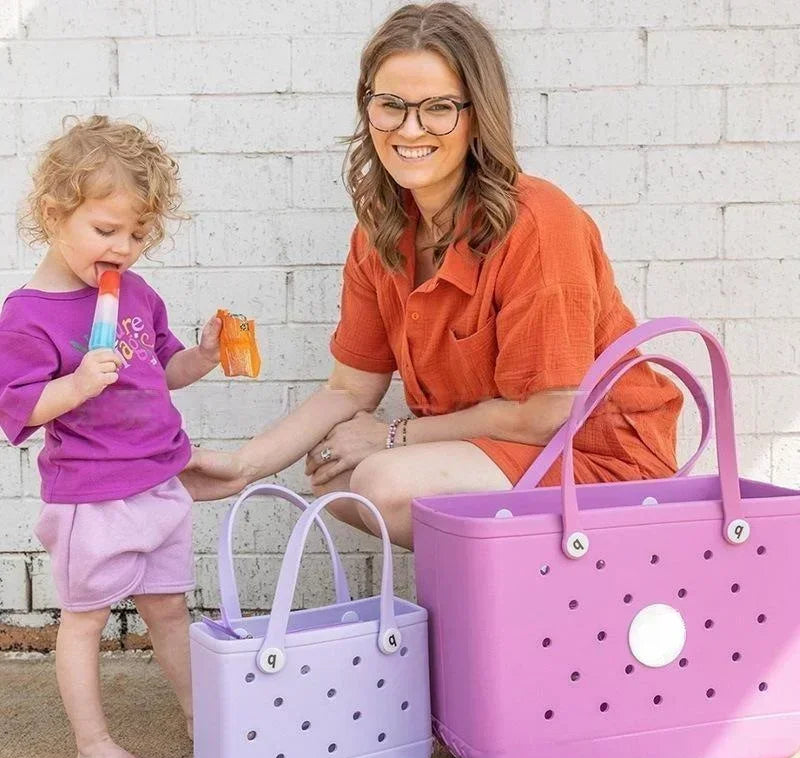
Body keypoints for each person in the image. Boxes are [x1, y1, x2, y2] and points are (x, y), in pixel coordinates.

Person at [182, 2, 682, 551]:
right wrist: (242, 466)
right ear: (367, 108)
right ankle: (502, 606)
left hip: (598, 462)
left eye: (439, 108)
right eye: (390, 105)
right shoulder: (380, 235)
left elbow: (547, 413)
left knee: (381, 480)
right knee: (337, 476)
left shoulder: (538, 222)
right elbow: (350, 387)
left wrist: (392, 435)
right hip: (514, 454)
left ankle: (534, 600)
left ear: (476, 115)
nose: (410, 129)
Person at [0, 116, 221, 758]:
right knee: (85, 621)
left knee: (169, 611)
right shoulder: (27, 315)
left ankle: (198, 716)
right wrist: (74, 384)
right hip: (92, 498)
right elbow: (19, 411)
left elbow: (164, 368)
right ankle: (93, 744)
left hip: (160, 487)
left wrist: (204, 357)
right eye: (107, 230)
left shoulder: (135, 293)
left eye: (138, 233)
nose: (124, 247)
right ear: (53, 214)